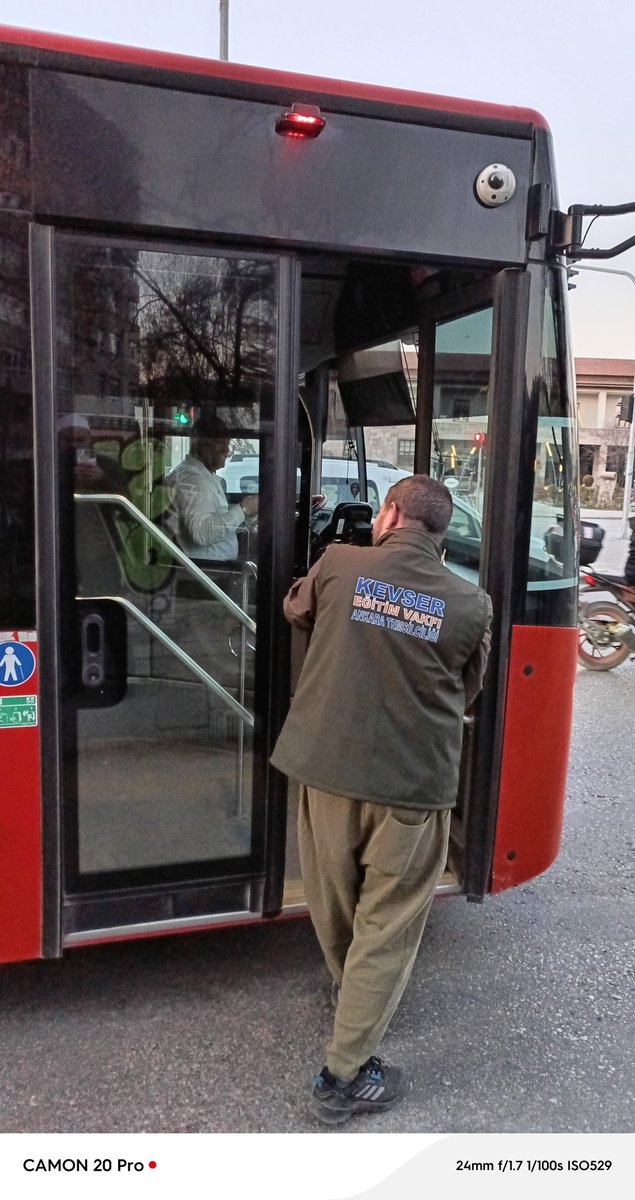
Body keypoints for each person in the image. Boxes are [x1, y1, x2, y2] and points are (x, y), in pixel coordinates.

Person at [270, 474, 492, 1125]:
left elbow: (294, 611)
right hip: (408, 788)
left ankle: (345, 1054)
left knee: (335, 905)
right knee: (386, 924)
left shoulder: (338, 563)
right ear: (439, 533)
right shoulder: (468, 603)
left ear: (390, 514)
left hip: (326, 772)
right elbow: (466, 689)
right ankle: (345, 1068)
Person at [165, 417, 258, 562]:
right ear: (201, 445)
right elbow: (202, 532)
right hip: (206, 574)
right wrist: (243, 509)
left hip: (211, 568)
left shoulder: (202, 475)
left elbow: (212, 514)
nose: (226, 451)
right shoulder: (194, 480)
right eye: (220, 443)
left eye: (227, 444)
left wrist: (244, 512)